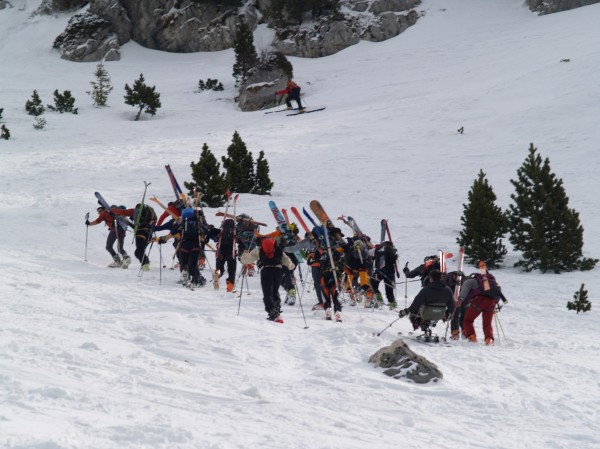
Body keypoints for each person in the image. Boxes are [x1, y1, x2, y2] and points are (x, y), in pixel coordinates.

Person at [241, 237, 295, 323]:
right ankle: (277, 309)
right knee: (275, 291)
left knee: (267, 292)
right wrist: (291, 265)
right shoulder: (278, 249)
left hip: (266, 271)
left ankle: (272, 311)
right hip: (278, 272)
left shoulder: (259, 250)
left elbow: (246, 260)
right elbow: (286, 260)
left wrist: (244, 255)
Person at [154, 208, 206, 288]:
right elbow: (206, 232)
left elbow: (172, 233)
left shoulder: (182, 224)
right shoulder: (198, 224)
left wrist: (163, 240)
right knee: (193, 265)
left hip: (183, 246)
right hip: (195, 246)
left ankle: (185, 273)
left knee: (183, 263)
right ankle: (196, 281)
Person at [458, 262, 503, 345]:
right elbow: (498, 292)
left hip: (479, 301)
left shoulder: (473, 280)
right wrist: (495, 303)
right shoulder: (492, 281)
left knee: (467, 320)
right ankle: (488, 339)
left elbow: (465, 289)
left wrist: (460, 300)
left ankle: (472, 337)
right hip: (491, 302)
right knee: (487, 324)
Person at [398, 269, 454, 333]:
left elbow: (416, 304)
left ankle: (423, 325)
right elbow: (452, 304)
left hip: (426, 313)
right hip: (440, 314)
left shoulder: (426, 289)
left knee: (415, 312)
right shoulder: (448, 290)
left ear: (431, 278)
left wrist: (405, 312)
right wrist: (448, 313)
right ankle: (427, 325)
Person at [112, 203, 156, 271]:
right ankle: (146, 263)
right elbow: (136, 226)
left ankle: (145, 265)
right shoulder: (148, 216)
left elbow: (123, 212)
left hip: (141, 234)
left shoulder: (137, 213)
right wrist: (129, 223)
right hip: (149, 235)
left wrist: (114, 210)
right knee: (137, 252)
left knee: (140, 251)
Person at [371, 241, 398, 309]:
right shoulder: (392, 252)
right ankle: (390, 302)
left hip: (383, 272)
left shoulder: (385, 252)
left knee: (373, 284)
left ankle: (381, 299)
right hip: (387, 272)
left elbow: (381, 263)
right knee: (388, 288)